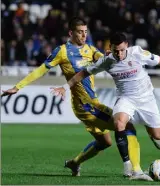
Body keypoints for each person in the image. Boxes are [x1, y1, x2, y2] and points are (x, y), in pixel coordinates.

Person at [1, 17, 145, 180]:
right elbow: (40, 70)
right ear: (71, 33)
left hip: (88, 105)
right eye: (80, 32)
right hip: (87, 107)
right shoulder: (62, 51)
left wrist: (110, 55)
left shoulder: (90, 49)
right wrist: (18, 87)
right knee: (127, 127)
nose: (84, 35)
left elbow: (105, 59)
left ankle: (75, 162)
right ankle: (135, 169)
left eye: (85, 32)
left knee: (106, 142)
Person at [50, 32, 160, 177]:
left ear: (127, 45)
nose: (119, 54)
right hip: (126, 99)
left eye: (122, 50)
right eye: (115, 51)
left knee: (158, 139)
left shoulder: (137, 53)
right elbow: (83, 73)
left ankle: (151, 132)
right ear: (110, 48)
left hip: (147, 99)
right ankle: (127, 165)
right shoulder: (106, 61)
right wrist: (64, 87)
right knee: (119, 123)